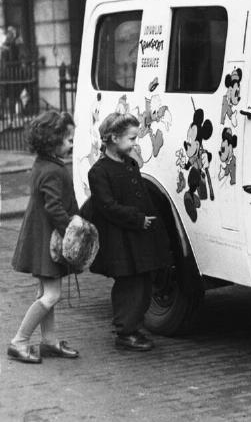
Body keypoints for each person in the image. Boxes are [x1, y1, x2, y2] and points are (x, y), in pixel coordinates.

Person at [87, 112, 172, 351]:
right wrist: (138, 219)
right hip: (119, 239)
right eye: (132, 138)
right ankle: (125, 332)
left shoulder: (129, 164)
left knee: (143, 281)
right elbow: (107, 206)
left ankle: (132, 326)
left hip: (138, 235)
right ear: (114, 138)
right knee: (129, 284)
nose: (135, 143)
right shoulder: (99, 172)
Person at [8, 110, 79, 363]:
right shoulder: (53, 170)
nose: (72, 143)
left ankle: (48, 341)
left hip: (40, 238)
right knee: (51, 295)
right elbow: (54, 208)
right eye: (68, 139)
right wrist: (73, 227)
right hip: (49, 241)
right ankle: (19, 341)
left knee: (46, 293)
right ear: (53, 141)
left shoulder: (43, 163)